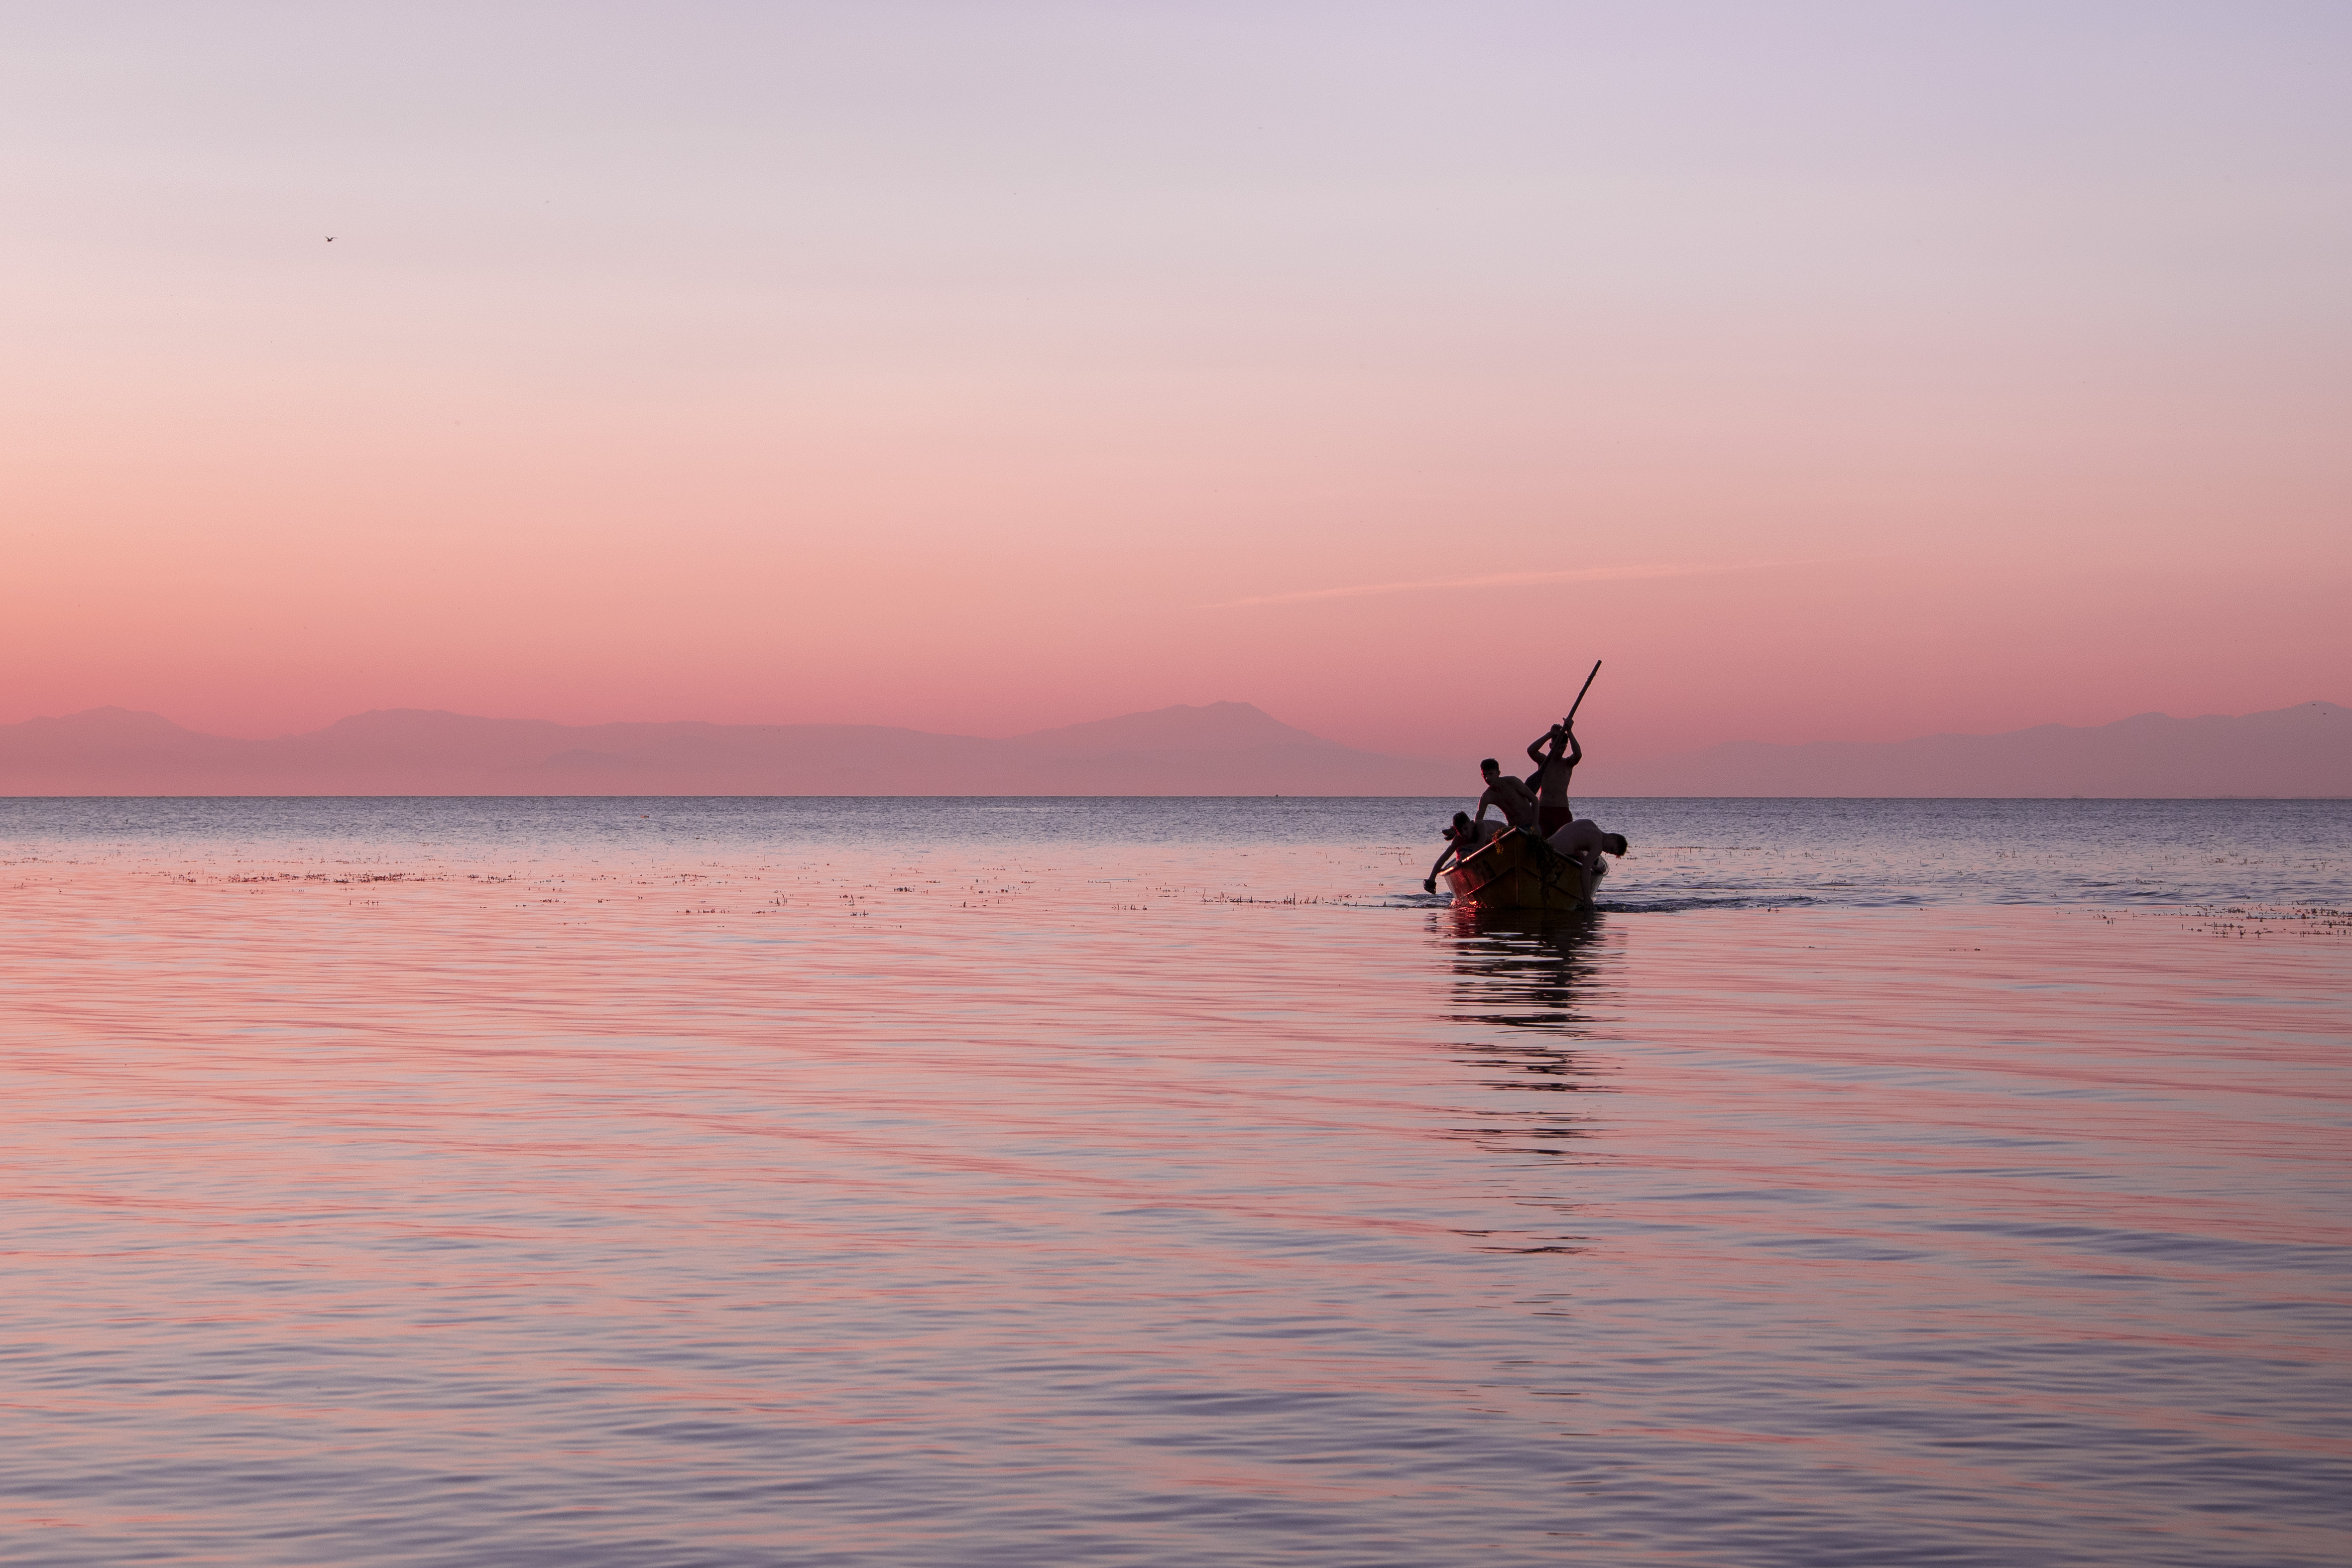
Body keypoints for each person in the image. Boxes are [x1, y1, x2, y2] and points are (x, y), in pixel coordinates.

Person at [1523, 722, 1583, 840]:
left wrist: (1570, 732)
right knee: (1542, 840)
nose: (1559, 751)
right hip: (1543, 809)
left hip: (1562, 809)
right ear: (1551, 746)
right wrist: (1550, 734)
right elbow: (1531, 750)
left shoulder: (1568, 764)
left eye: (1562, 748)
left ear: (1566, 747)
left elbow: (1578, 755)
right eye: (1557, 747)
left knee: (1563, 840)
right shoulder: (1543, 761)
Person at [1423, 812, 1504, 892]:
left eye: (1466, 829)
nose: (1464, 833)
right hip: (1486, 845)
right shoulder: (1459, 839)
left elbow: (1480, 844)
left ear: (1472, 824)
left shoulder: (1480, 826)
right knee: (1464, 851)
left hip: (1502, 833)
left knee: (1486, 841)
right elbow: (1444, 857)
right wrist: (1432, 879)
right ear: (1457, 831)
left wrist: (1466, 861)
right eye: (1460, 831)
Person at [1473, 757, 1541, 835]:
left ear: (1498, 773)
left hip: (1531, 825)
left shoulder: (1512, 782)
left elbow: (1535, 800)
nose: (1488, 778)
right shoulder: (1487, 796)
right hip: (1514, 829)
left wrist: (1535, 824)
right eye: (1484, 775)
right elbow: (1478, 822)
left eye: (1491, 774)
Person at [1546, 818, 1629, 868]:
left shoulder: (1589, 823)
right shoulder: (1598, 845)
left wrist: (1594, 868)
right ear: (1613, 837)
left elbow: (1573, 843)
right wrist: (1588, 897)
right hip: (1561, 853)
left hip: (1548, 844)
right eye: (1611, 849)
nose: (1607, 851)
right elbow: (1586, 868)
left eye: (1610, 852)